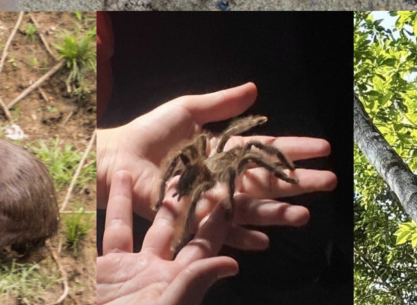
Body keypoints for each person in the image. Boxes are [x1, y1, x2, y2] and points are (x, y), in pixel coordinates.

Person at [97, 83, 337, 304]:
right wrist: (230, 200)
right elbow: (232, 162)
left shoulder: (205, 156)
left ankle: (284, 175)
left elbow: (217, 140)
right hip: (203, 177)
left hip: (197, 173)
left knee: (247, 150)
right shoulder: (221, 166)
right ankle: (283, 174)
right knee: (251, 152)